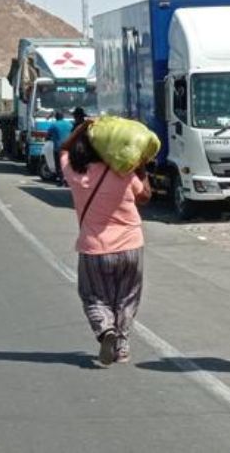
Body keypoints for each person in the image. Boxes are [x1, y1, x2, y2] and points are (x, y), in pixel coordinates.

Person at [61, 122, 152, 366]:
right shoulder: (123, 173)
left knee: (93, 297)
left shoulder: (75, 173)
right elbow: (145, 196)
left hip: (94, 249)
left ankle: (105, 331)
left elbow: (63, 149)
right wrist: (140, 165)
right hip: (131, 247)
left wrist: (82, 128)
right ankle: (122, 348)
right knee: (127, 298)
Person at [46, 111, 74, 183]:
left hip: (58, 148)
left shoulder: (54, 125)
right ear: (63, 117)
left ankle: (61, 179)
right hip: (69, 147)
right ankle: (68, 179)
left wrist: (49, 138)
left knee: (59, 164)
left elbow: (48, 135)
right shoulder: (69, 124)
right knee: (68, 164)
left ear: (56, 117)